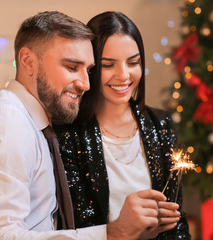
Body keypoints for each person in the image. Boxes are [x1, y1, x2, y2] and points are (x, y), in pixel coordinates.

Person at [0, 11, 162, 240]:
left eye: (88, 70)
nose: (85, 84)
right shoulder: (3, 124)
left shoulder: (39, 126)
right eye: (71, 67)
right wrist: (113, 234)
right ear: (28, 62)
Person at [54, 11, 191, 239]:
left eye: (133, 62)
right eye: (109, 65)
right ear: (92, 67)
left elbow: (177, 221)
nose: (124, 75)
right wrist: (122, 226)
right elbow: (75, 227)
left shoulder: (161, 124)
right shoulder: (68, 133)